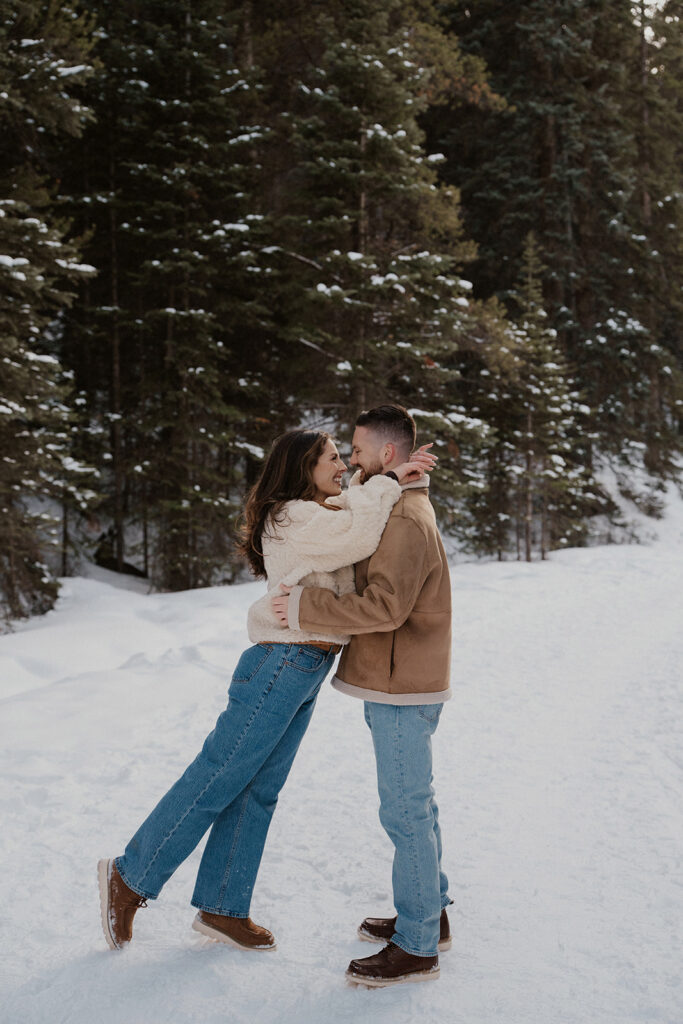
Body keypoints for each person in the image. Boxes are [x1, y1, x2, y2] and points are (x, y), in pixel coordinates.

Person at [98, 428, 435, 952]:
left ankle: (223, 906)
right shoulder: (290, 515)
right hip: (281, 663)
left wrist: (393, 477)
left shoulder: (322, 510)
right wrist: (388, 479)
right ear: (303, 468)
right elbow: (358, 537)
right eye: (331, 459)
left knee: (258, 788)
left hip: (305, 666)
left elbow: (355, 513)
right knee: (218, 775)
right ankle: (131, 876)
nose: (343, 467)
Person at [272, 404, 452, 987]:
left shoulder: (405, 520)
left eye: (357, 451)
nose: (350, 462)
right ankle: (430, 914)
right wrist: (382, 481)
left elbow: (385, 607)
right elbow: (355, 510)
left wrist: (304, 605)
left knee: (405, 811)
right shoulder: (396, 503)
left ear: (387, 454)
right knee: (416, 806)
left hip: (403, 685)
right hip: (399, 678)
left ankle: (418, 946)